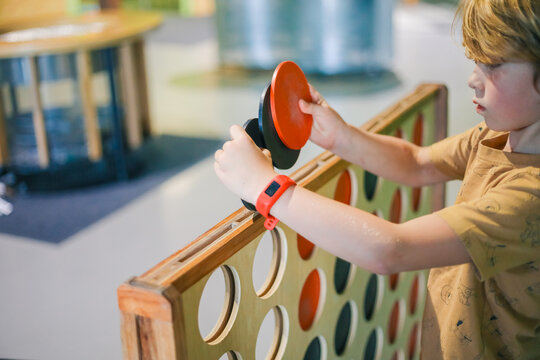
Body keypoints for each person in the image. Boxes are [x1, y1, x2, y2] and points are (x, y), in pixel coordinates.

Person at [214, 0, 540, 358]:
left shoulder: (529, 197)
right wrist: (340, 136)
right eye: (475, 60)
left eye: (491, 64)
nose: (472, 79)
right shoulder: (493, 137)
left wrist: (267, 189)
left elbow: (391, 250)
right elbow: (417, 163)